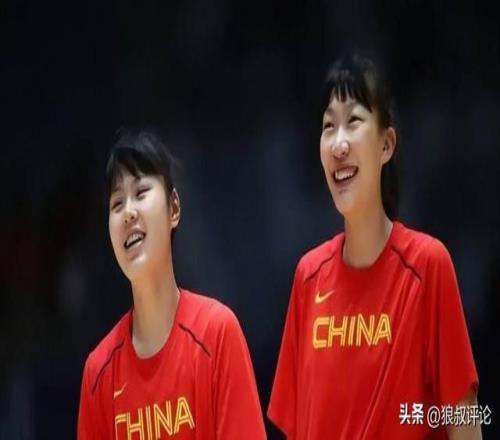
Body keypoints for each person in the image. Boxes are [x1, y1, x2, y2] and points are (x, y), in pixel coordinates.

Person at [268, 54, 480, 439]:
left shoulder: (427, 266)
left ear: (386, 144)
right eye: (328, 126)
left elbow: (464, 423)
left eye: (353, 121)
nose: (339, 143)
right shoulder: (308, 277)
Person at [78, 129, 266, 439]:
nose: (128, 212)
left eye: (141, 192)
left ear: (174, 208)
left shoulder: (217, 334)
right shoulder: (98, 373)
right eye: (117, 203)